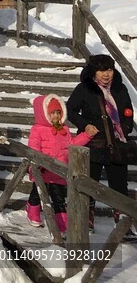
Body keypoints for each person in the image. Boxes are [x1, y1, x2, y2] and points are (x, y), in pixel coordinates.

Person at [67, 55, 137, 234]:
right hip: (93, 144)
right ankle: (86, 220)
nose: (106, 74)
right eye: (101, 70)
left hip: (117, 145)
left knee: (120, 187)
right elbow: (70, 110)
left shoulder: (120, 88)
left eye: (109, 70)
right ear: (93, 71)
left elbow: (128, 111)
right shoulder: (84, 88)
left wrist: (125, 127)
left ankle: (123, 225)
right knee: (90, 184)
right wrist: (85, 125)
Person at [25, 94, 92, 231]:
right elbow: (34, 148)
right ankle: (32, 211)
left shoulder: (64, 130)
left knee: (59, 197)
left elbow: (71, 144)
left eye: (58, 112)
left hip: (59, 170)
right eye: (52, 113)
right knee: (38, 193)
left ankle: (62, 221)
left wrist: (86, 136)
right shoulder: (38, 129)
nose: (56, 116)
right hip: (42, 169)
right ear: (44, 114)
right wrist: (37, 163)